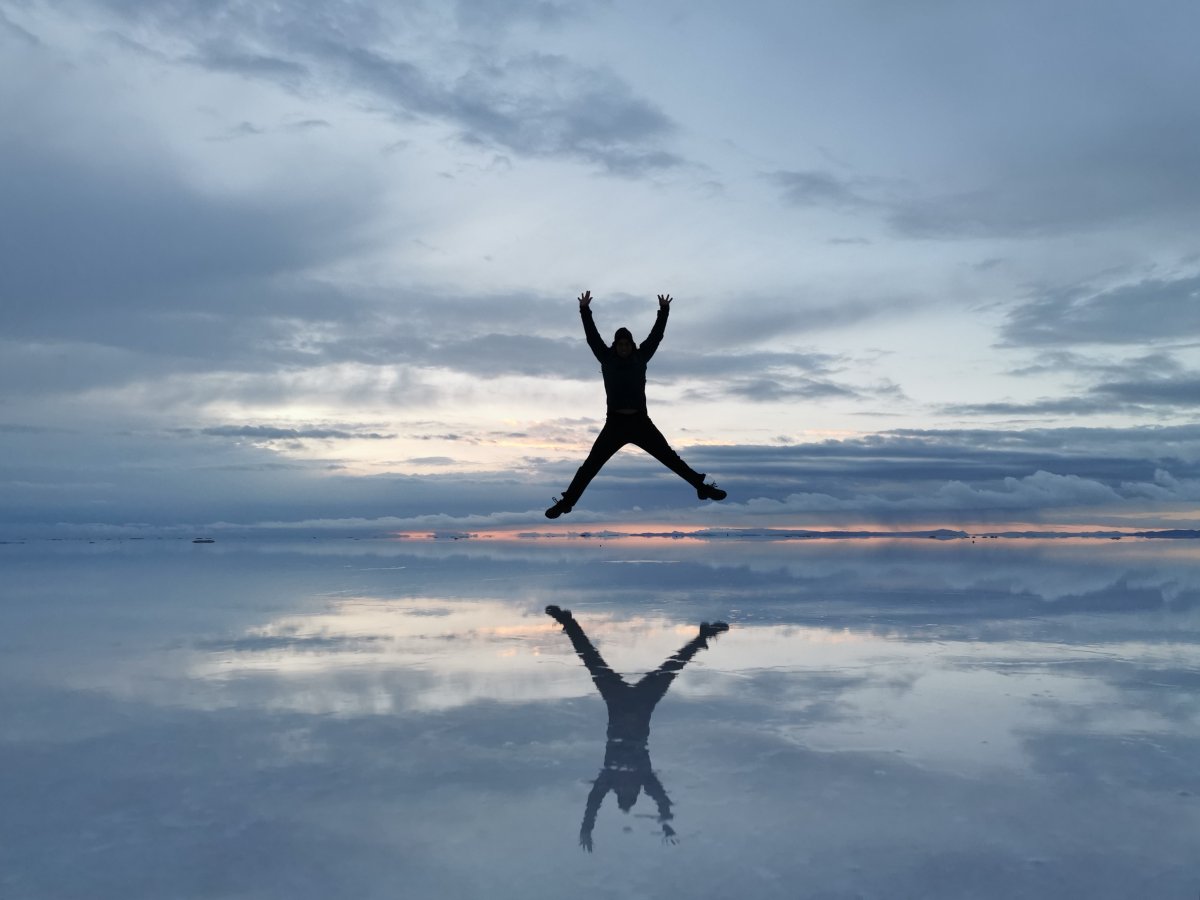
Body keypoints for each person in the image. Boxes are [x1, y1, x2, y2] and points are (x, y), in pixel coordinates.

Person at [545, 605, 729, 851]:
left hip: (618, 703)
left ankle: (567, 621)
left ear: (617, 790)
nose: (625, 785)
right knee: (672, 667)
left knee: (591, 660)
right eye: (630, 790)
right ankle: (704, 636)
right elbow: (662, 800)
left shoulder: (607, 779)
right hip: (643, 705)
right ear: (636, 789)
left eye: (623, 790)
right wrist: (666, 824)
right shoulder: (646, 778)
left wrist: (587, 827)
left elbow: (593, 802)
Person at [546, 290, 726, 518]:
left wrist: (664, 311)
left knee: (671, 458)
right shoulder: (606, 358)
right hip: (615, 424)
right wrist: (584, 310)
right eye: (620, 344)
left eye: (627, 344)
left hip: (640, 422)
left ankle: (703, 488)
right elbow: (592, 337)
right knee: (590, 466)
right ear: (615, 345)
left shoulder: (641, 358)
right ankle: (566, 503)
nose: (623, 347)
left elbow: (656, 336)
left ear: (631, 344)